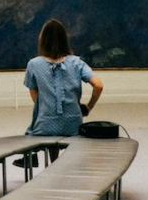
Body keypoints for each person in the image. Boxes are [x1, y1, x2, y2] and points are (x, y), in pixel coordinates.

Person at [18, 19, 104, 165]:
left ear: (42, 40)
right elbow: (98, 86)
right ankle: (61, 166)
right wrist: (88, 107)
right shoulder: (77, 62)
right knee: (60, 125)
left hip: (45, 126)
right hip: (73, 125)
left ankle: (32, 157)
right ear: (65, 39)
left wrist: (48, 106)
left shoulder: (34, 64)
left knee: (32, 130)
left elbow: (35, 96)